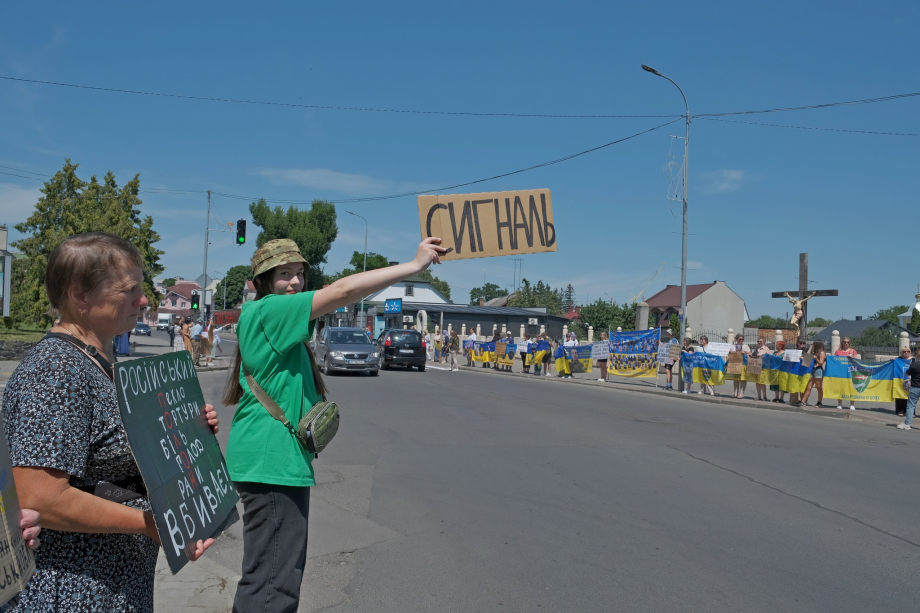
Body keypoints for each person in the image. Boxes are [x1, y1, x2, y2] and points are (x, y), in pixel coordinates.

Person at [223, 236, 446, 612]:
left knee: (271, 576)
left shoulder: (261, 314)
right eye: (283, 274)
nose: (294, 282)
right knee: (272, 586)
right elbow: (343, 290)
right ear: (263, 281)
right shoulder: (271, 311)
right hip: (271, 462)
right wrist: (414, 266)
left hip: (271, 460)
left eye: (298, 273)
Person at [2, 232, 219, 612]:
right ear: (80, 296)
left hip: (110, 584)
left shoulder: (96, 361)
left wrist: (187, 429)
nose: (144, 299)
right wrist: (148, 523)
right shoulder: (57, 371)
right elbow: (40, 498)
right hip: (71, 592)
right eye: (129, 289)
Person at [896, 347, 920, 430]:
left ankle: (907, 424)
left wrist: (911, 366)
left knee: (910, 406)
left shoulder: (914, 364)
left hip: (915, 387)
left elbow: (907, 374)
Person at [797, 340, 827, 407]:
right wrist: (811, 347)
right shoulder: (814, 352)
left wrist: (816, 359)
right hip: (812, 370)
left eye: (814, 344)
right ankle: (803, 401)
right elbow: (807, 356)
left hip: (818, 370)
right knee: (809, 387)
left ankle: (819, 402)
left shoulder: (822, 353)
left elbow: (821, 363)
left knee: (818, 387)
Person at [834, 337, 859, 410]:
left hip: (850, 372)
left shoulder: (853, 351)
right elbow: (835, 361)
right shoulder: (838, 351)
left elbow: (857, 361)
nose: (846, 343)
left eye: (848, 342)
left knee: (851, 388)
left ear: (849, 343)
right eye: (844, 342)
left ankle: (852, 404)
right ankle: (839, 403)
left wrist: (852, 357)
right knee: (840, 388)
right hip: (841, 372)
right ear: (842, 342)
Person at [728, 333, 752, 399]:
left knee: (743, 379)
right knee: (735, 379)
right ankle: (735, 393)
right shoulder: (733, 346)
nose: (741, 340)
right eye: (740, 339)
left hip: (743, 364)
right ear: (736, 339)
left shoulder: (745, 346)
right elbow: (729, 354)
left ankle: (742, 393)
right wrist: (730, 352)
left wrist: (745, 353)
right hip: (735, 364)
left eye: (742, 339)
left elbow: (750, 354)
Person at [895, 347, 913, 416]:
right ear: (901, 353)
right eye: (904, 351)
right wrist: (892, 361)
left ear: (910, 352)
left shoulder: (914, 360)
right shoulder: (897, 360)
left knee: (910, 397)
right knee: (900, 395)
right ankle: (900, 411)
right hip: (900, 380)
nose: (906, 353)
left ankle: (910, 412)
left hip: (911, 381)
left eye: (907, 351)